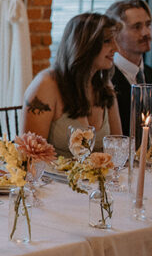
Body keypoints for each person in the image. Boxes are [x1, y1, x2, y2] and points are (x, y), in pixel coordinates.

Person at [22, 12, 122, 157]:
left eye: (115, 41)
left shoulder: (105, 86)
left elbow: (118, 147)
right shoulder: (46, 85)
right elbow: (28, 157)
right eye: (107, 41)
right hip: (55, 179)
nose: (116, 48)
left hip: (99, 179)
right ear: (85, 45)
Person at [104, 0, 152, 136]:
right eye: (137, 27)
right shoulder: (103, 79)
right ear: (115, 33)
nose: (146, 32)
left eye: (148, 24)